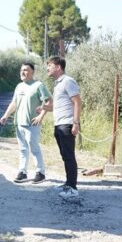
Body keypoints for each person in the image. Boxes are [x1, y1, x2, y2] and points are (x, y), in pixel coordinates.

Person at [0, 63, 52, 184]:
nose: (23, 72)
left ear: (32, 72)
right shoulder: (19, 86)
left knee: (34, 148)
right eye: (21, 70)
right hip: (19, 123)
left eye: (26, 70)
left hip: (32, 123)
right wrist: (5, 116)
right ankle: (22, 172)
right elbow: (14, 103)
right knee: (23, 149)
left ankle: (40, 173)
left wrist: (40, 116)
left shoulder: (39, 85)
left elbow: (49, 101)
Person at [38, 57, 82, 198]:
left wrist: (75, 123)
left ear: (58, 67)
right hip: (59, 124)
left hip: (67, 124)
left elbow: (77, 102)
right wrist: (44, 107)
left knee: (69, 156)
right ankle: (68, 183)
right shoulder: (57, 84)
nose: (47, 68)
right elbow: (57, 106)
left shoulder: (68, 81)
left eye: (50, 65)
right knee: (65, 156)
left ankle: (73, 188)